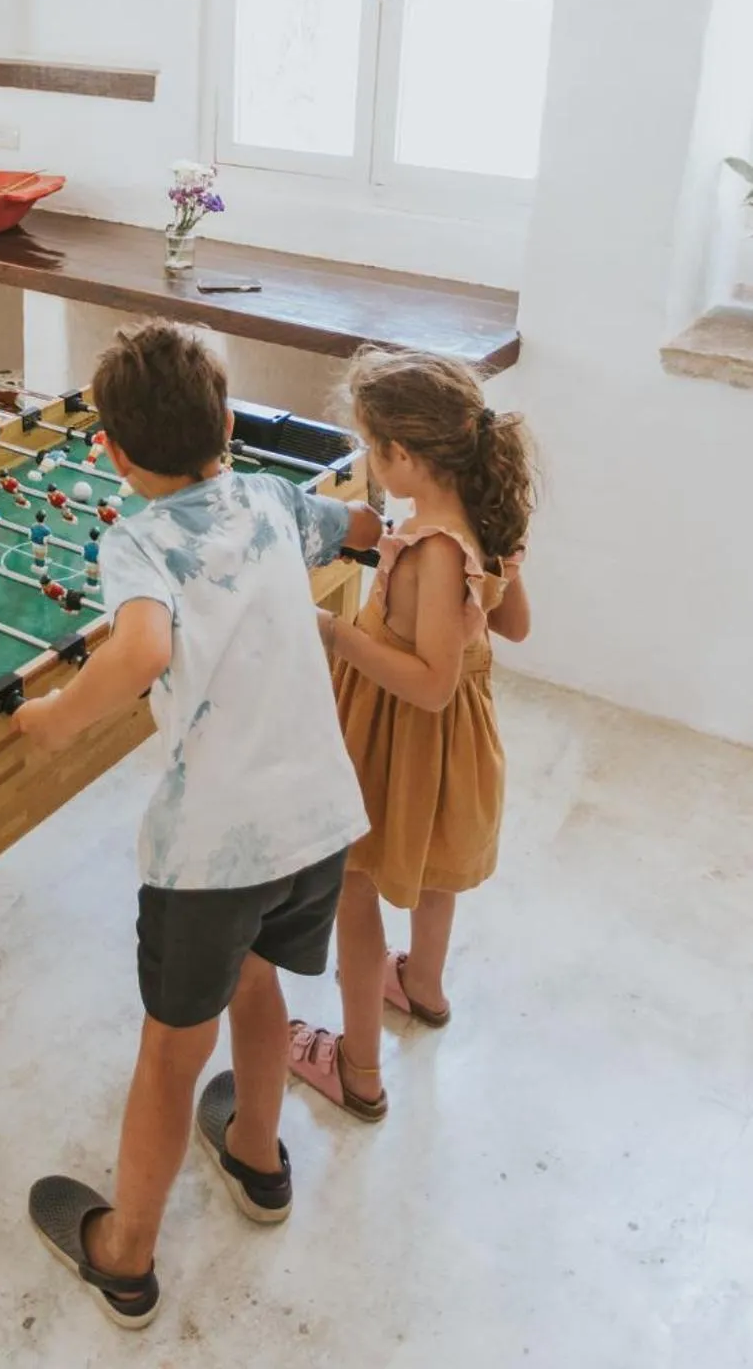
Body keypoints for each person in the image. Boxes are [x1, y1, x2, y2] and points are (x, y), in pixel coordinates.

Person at [14, 320, 383, 1330]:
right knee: (260, 982)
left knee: (172, 1052)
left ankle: (126, 1254)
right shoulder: (268, 497)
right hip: (315, 822)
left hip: (213, 849)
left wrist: (53, 719)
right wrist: (404, 531)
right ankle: (258, 1156)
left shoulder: (133, 536)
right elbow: (350, 527)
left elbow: (137, 651)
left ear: (116, 456)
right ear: (226, 422)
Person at [287, 347, 535, 1120]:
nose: (367, 460)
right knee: (432, 871)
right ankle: (420, 983)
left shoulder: (433, 547)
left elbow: (427, 684)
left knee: (353, 889)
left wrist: (335, 633)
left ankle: (357, 1068)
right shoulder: (481, 517)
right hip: (455, 746)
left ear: (403, 455)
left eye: (369, 447)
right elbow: (514, 626)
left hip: (396, 737)